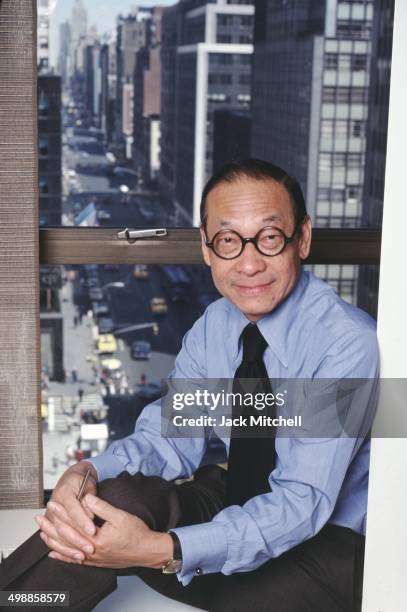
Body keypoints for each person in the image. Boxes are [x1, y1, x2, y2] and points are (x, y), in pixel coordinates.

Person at [0, 160, 378, 611]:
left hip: (324, 543)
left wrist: (162, 550)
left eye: (270, 238)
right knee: (106, 501)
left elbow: (302, 505)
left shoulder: (347, 343)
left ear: (304, 238)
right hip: (234, 498)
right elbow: (170, 436)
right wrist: (88, 472)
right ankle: (22, 601)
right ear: (206, 248)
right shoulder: (216, 323)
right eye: (228, 241)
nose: (250, 263)